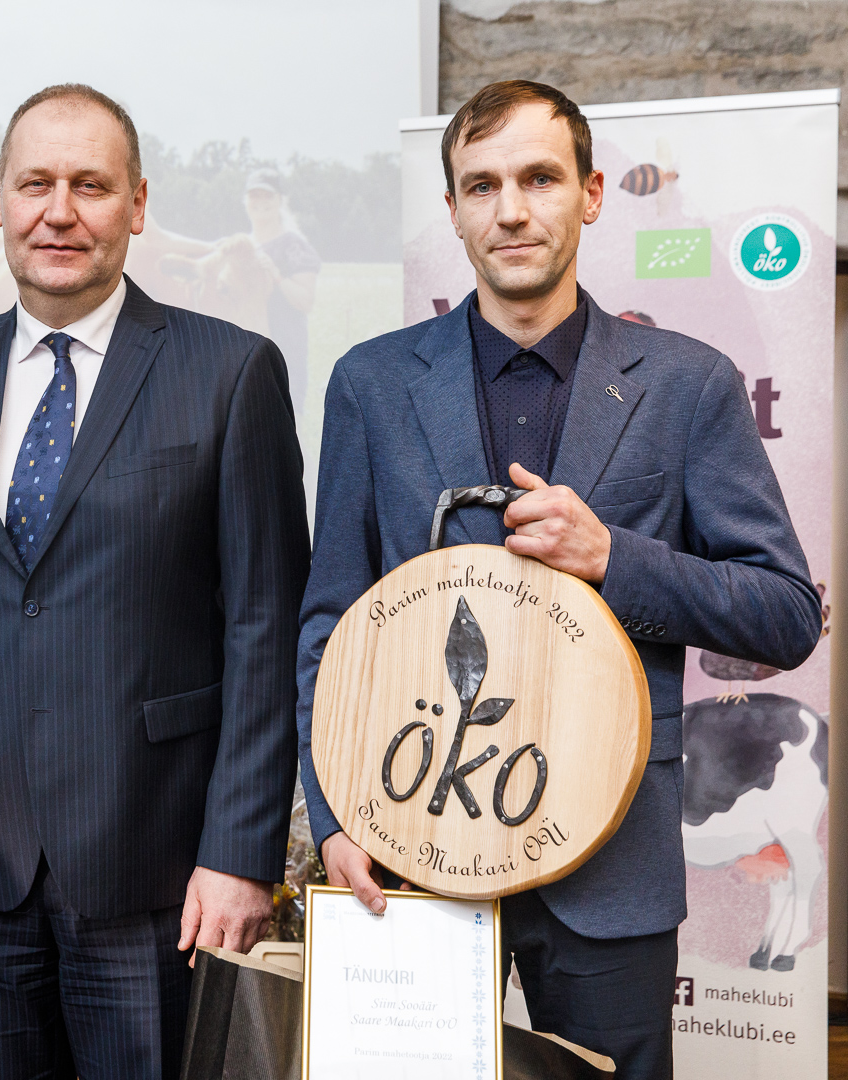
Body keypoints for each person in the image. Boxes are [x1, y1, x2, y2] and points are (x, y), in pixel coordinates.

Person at [297, 81, 820, 1079]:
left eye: (537, 178)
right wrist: (333, 818)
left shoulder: (686, 383)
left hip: (610, 868)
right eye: (480, 185)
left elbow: (784, 613)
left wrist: (611, 559)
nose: (509, 209)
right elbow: (330, 619)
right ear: (450, 210)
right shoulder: (369, 383)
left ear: (588, 193)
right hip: (414, 844)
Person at [0, 83, 310, 1078]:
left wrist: (239, 853)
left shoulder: (228, 373)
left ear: (136, 206)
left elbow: (264, 632)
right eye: (36, 184)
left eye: (90, 186)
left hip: (156, 870)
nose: (59, 211)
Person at [243, 168, 321, 414]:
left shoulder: (294, 246)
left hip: (284, 356)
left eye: (268, 196)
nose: (261, 202)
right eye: (255, 196)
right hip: (244, 357)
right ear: (245, 201)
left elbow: (305, 301)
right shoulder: (241, 247)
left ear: (280, 201)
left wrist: (276, 274)